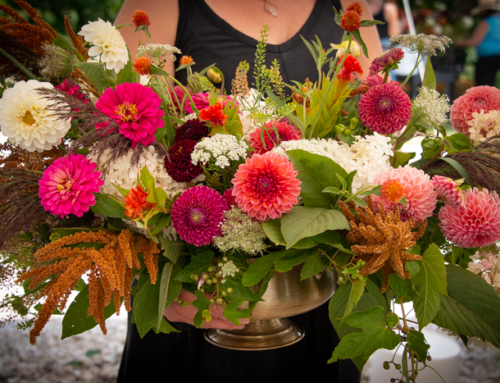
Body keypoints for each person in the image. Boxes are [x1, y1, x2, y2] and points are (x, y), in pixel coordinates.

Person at [114, 1, 382, 382]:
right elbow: (117, 151)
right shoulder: (158, 6)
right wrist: (157, 281)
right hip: (198, 296)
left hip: (320, 286)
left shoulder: (349, 6)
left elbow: (374, 132)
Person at [457, 0, 500, 86]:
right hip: (497, 56)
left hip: (486, 58)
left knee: (483, 86)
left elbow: (474, 41)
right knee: (491, 85)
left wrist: (460, 42)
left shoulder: (486, 22)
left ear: (484, 10)